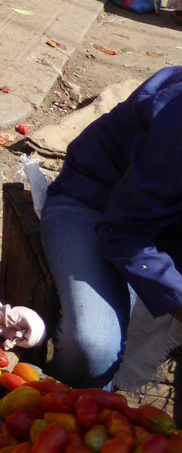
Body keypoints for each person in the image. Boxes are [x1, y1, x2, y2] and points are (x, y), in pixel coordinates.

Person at [40, 65, 182, 388]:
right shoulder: (179, 119)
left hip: (164, 227)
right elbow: (124, 232)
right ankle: (65, 408)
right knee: (94, 348)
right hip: (93, 205)